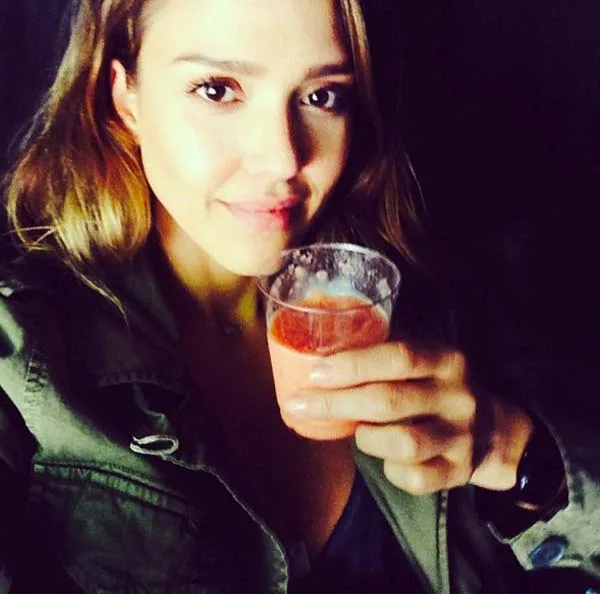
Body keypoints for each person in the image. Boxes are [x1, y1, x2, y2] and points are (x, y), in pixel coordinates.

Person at [0, 0, 598, 592]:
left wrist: (511, 451)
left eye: (322, 95)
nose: (283, 160)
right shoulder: (23, 359)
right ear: (124, 96)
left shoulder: (432, 300)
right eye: (217, 90)